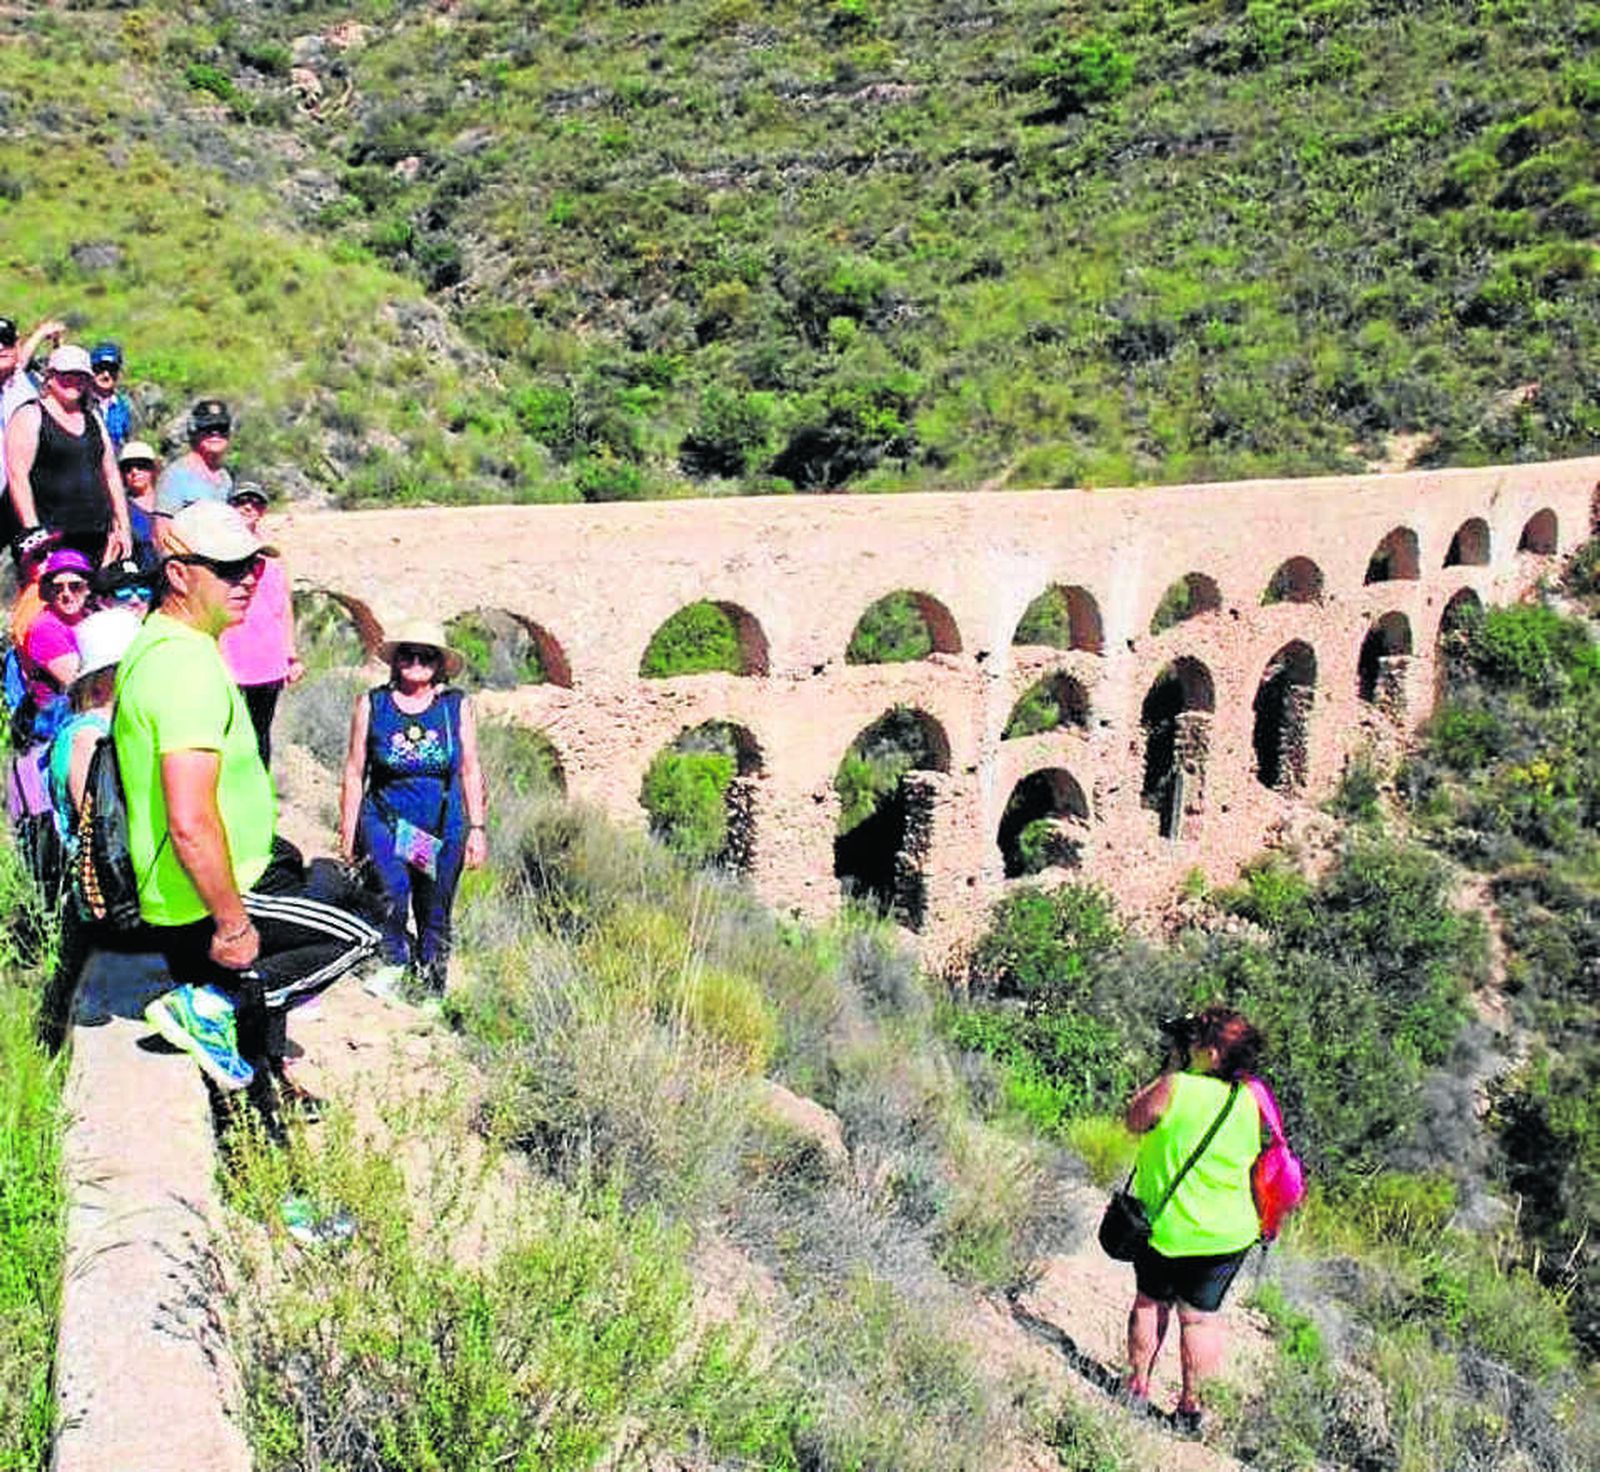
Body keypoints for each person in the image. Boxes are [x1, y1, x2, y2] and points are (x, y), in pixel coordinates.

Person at [115, 500, 377, 1129]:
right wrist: (232, 924)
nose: (248, 581)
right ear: (179, 574)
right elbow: (188, 819)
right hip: (208, 892)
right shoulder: (184, 668)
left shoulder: (170, 645)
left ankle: (267, 1112)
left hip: (229, 868)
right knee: (356, 932)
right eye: (229, 570)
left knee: (263, 1020)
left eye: (253, 566)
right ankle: (214, 1008)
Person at [1121, 1006, 1264, 1436]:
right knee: (1200, 1319)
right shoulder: (1252, 1099)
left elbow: (1133, 1120)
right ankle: (1190, 1409)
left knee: (1150, 1302)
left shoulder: (1177, 1087)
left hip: (1168, 1226)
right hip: (1229, 1233)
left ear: (1214, 1051)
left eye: (1199, 1039)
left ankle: (1138, 1387)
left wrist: (1171, 1071)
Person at [339, 618, 487, 999]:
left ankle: (431, 985)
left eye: (426, 656)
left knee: (432, 909)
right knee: (393, 889)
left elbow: (470, 768)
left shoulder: (454, 707)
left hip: (439, 824)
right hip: (386, 819)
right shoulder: (374, 704)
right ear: (395, 659)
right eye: (408, 653)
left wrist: (477, 828)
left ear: (438, 664)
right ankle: (393, 960)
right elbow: (355, 771)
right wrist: (348, 830)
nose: (415, 661)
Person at [3, 344, 131, 567]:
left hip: (96, 535)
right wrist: (35, 536)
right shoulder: (30, 415)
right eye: (67, 375)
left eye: (81, 376)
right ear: (50, 377)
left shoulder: (93, 418)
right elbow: (17, 478)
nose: (74, 381)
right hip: (50, 538)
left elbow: (110, 475)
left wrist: (123, 527)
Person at [218, 483, 302, 767]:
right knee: (227, 731)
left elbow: (284, 608)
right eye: (241, 501)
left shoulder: (272, 560)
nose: (248, 507)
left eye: (255, 502)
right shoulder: (218, 557)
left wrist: (291, 655)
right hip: (230, 656)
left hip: (267, 657)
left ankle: (259, 791)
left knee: (261, 732)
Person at [19, 548, 95, 739]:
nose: (66, 594)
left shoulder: (88, 615)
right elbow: (80, 683)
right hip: (55, 727)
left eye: (75, 586)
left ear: (88, 588)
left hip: (82, 715)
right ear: (48, 591)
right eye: (58, 588)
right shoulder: (45, 629)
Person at [154, 399, 232, 517]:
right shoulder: (175, 476)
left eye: (222, 428)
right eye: (208, 427)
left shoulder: (227, 479)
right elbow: (162, 530)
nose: (215, 433)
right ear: (193, 430)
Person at [115, 438, 161, 567]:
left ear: (153, 469)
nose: (134, 472)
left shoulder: (169, 502)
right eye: (127, 468)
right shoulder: (120, 509)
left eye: (141, 465)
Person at [88, 341, 134, 452]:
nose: (106, 375)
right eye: (100, 368)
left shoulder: (126, 406)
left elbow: (132, 441)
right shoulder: (80, 402)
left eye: (112, 369)